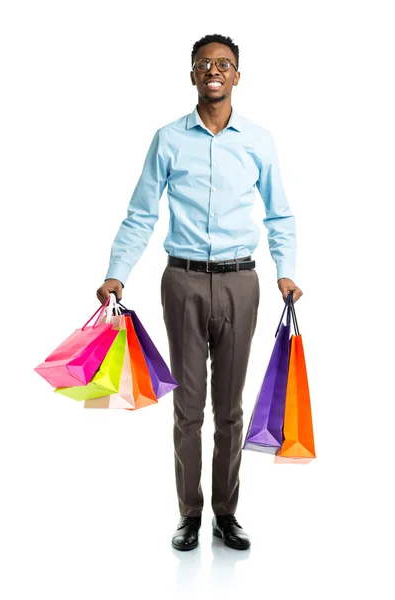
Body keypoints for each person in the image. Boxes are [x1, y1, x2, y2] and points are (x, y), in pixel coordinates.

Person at [96, 33, 303, 551]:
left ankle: (226, 513)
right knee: (189, 406)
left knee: (229, 408)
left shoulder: (258, 141)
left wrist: (286, 270)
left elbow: (280, 214)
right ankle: (190, 514)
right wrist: (116, 272)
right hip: (182, 281)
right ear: (192, 75)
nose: (214, 70)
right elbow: (141, 212)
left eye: (224, 64)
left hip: (241, 283)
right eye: (204, 63)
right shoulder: (168, 139)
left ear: (237, 76)